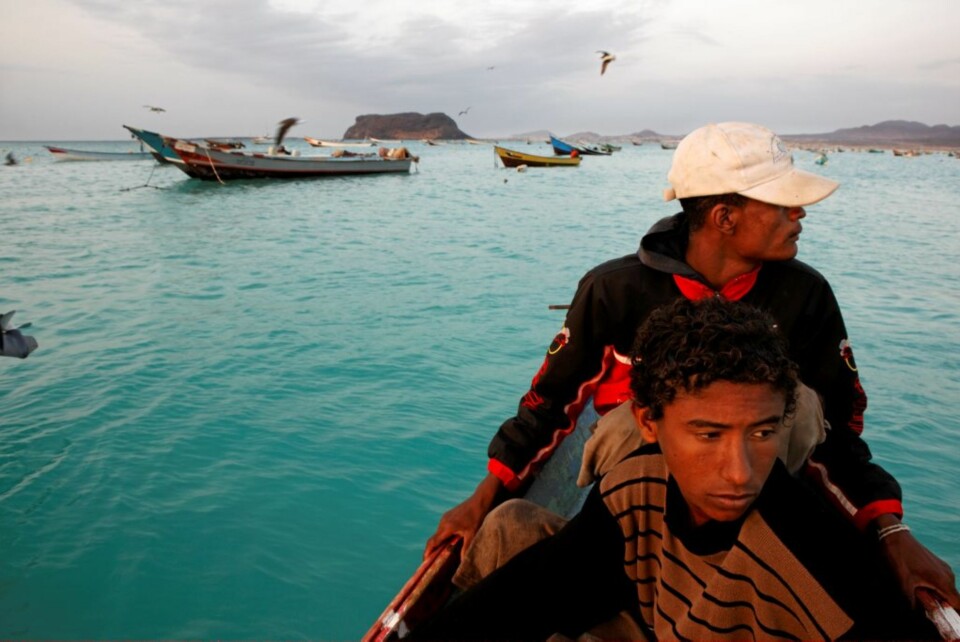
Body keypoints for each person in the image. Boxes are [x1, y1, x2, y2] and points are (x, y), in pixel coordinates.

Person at [425, 121, 959, 608]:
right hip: (633, 493)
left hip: (758, 483)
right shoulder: (615, 290)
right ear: (724, 217)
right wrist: (483, 497)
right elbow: (549, 403)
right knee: (616, 432)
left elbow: (838, 429)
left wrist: (891, 531)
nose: (800, 213)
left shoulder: (806, 295)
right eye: (783, 203)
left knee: (802, 406)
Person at [410, 298, 942, 640]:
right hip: (649, 621)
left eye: (762, 433)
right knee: (513, 533)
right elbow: (525, 596)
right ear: (648, 422)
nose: (740, 473)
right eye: (709, 435)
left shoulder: (815, 562)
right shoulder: (633, 486)